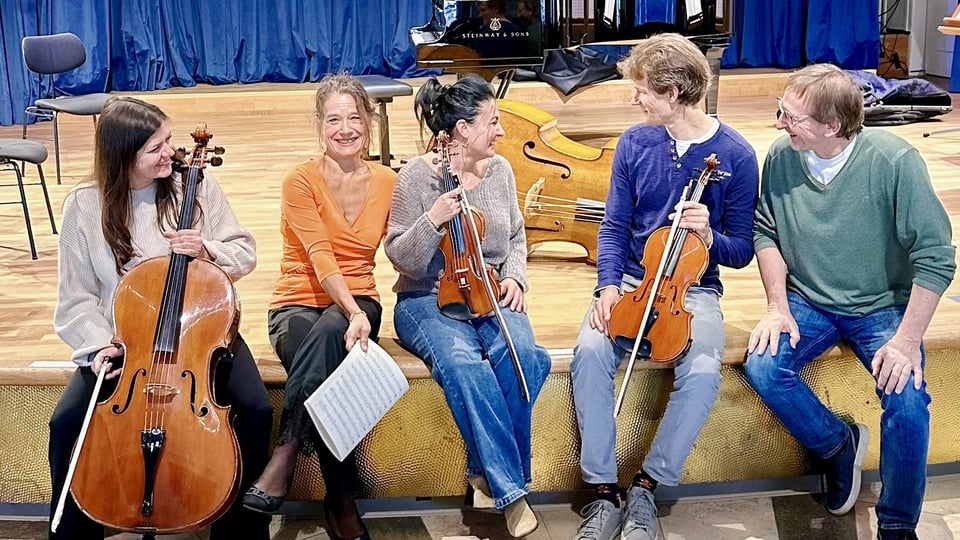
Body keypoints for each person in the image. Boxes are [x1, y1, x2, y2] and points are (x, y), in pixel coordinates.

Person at [745, 63, 956, 540]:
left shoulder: (894, 161)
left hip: (882, 307)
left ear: (832, 126)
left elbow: (937, 258)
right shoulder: (781, 156)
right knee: (763, 368)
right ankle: (839, 446)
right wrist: (778, 306)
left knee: (907, 402)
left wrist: (906, 341)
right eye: (781, 110)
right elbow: (766, 232)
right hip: (809, 302)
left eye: (791, 117)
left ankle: (898, 527)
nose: (780, 123)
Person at [49, 96, 272, 539]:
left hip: (201, 332)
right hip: (125, 345)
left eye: (168, 140)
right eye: (155, 148)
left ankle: (239, 533)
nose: (170, 153)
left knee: (256, 409)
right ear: (122, 157)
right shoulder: (84, 206)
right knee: (66, 424)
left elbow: (244, 252)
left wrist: (208, 251)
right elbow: (75, 299)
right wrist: (100, 344)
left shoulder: (196, 184)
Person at [569, 34, 759, 540]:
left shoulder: (736, 156)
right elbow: (612, 228)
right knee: (589, 350)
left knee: (701, 371)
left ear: (674, 92)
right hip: (631, 279)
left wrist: (708, 235)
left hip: (694, 290)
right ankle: (604, 491)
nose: (636, 99)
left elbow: (741, 250)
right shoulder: (634, 143)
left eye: (643, 90)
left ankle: (649, 486)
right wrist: (608, 288)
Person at [384, 74, 551, 538]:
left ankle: (483, 472)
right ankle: (513, 492)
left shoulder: (500, 171)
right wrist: (433, 219)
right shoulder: (418, 176)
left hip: (492, 289)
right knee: (464, 365)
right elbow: (402, 258)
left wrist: (516, 276)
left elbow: (516, 235)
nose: (500, 131)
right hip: (426, 298)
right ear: (461, 130)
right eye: (492, 122)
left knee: (526, 358)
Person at [239, 73, 396, 540]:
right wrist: (350, 314)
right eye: (334, 119)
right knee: (329, 352)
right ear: (319, 126)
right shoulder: (299, 181)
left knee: (330, 339)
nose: (345, 128)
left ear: (368, 122)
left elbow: (406, 246)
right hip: (296, 303)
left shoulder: (389, 181)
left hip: (361, 299)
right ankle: (341, 500)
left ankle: (284, 456)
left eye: (354, 117)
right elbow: (320, 256)